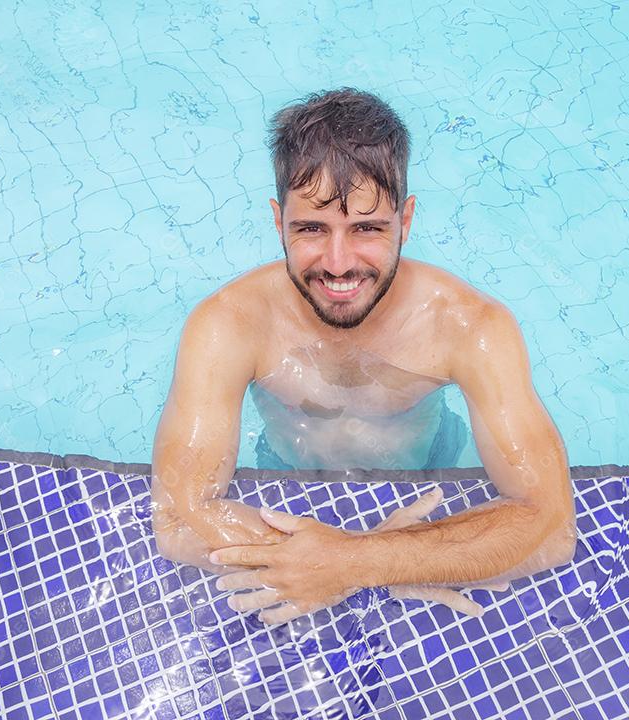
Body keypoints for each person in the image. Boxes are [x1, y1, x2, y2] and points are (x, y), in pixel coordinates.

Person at [151, 87, 576, 625]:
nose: (338, 263)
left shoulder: (470, 327)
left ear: (407, 219)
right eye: (310, 229)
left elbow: (552, 526)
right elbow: (177, 517)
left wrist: (356, 560)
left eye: (367, 229)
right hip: (286, 475)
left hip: (425, 475)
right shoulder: (229, 325)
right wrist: (359, 559)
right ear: (277, 221)